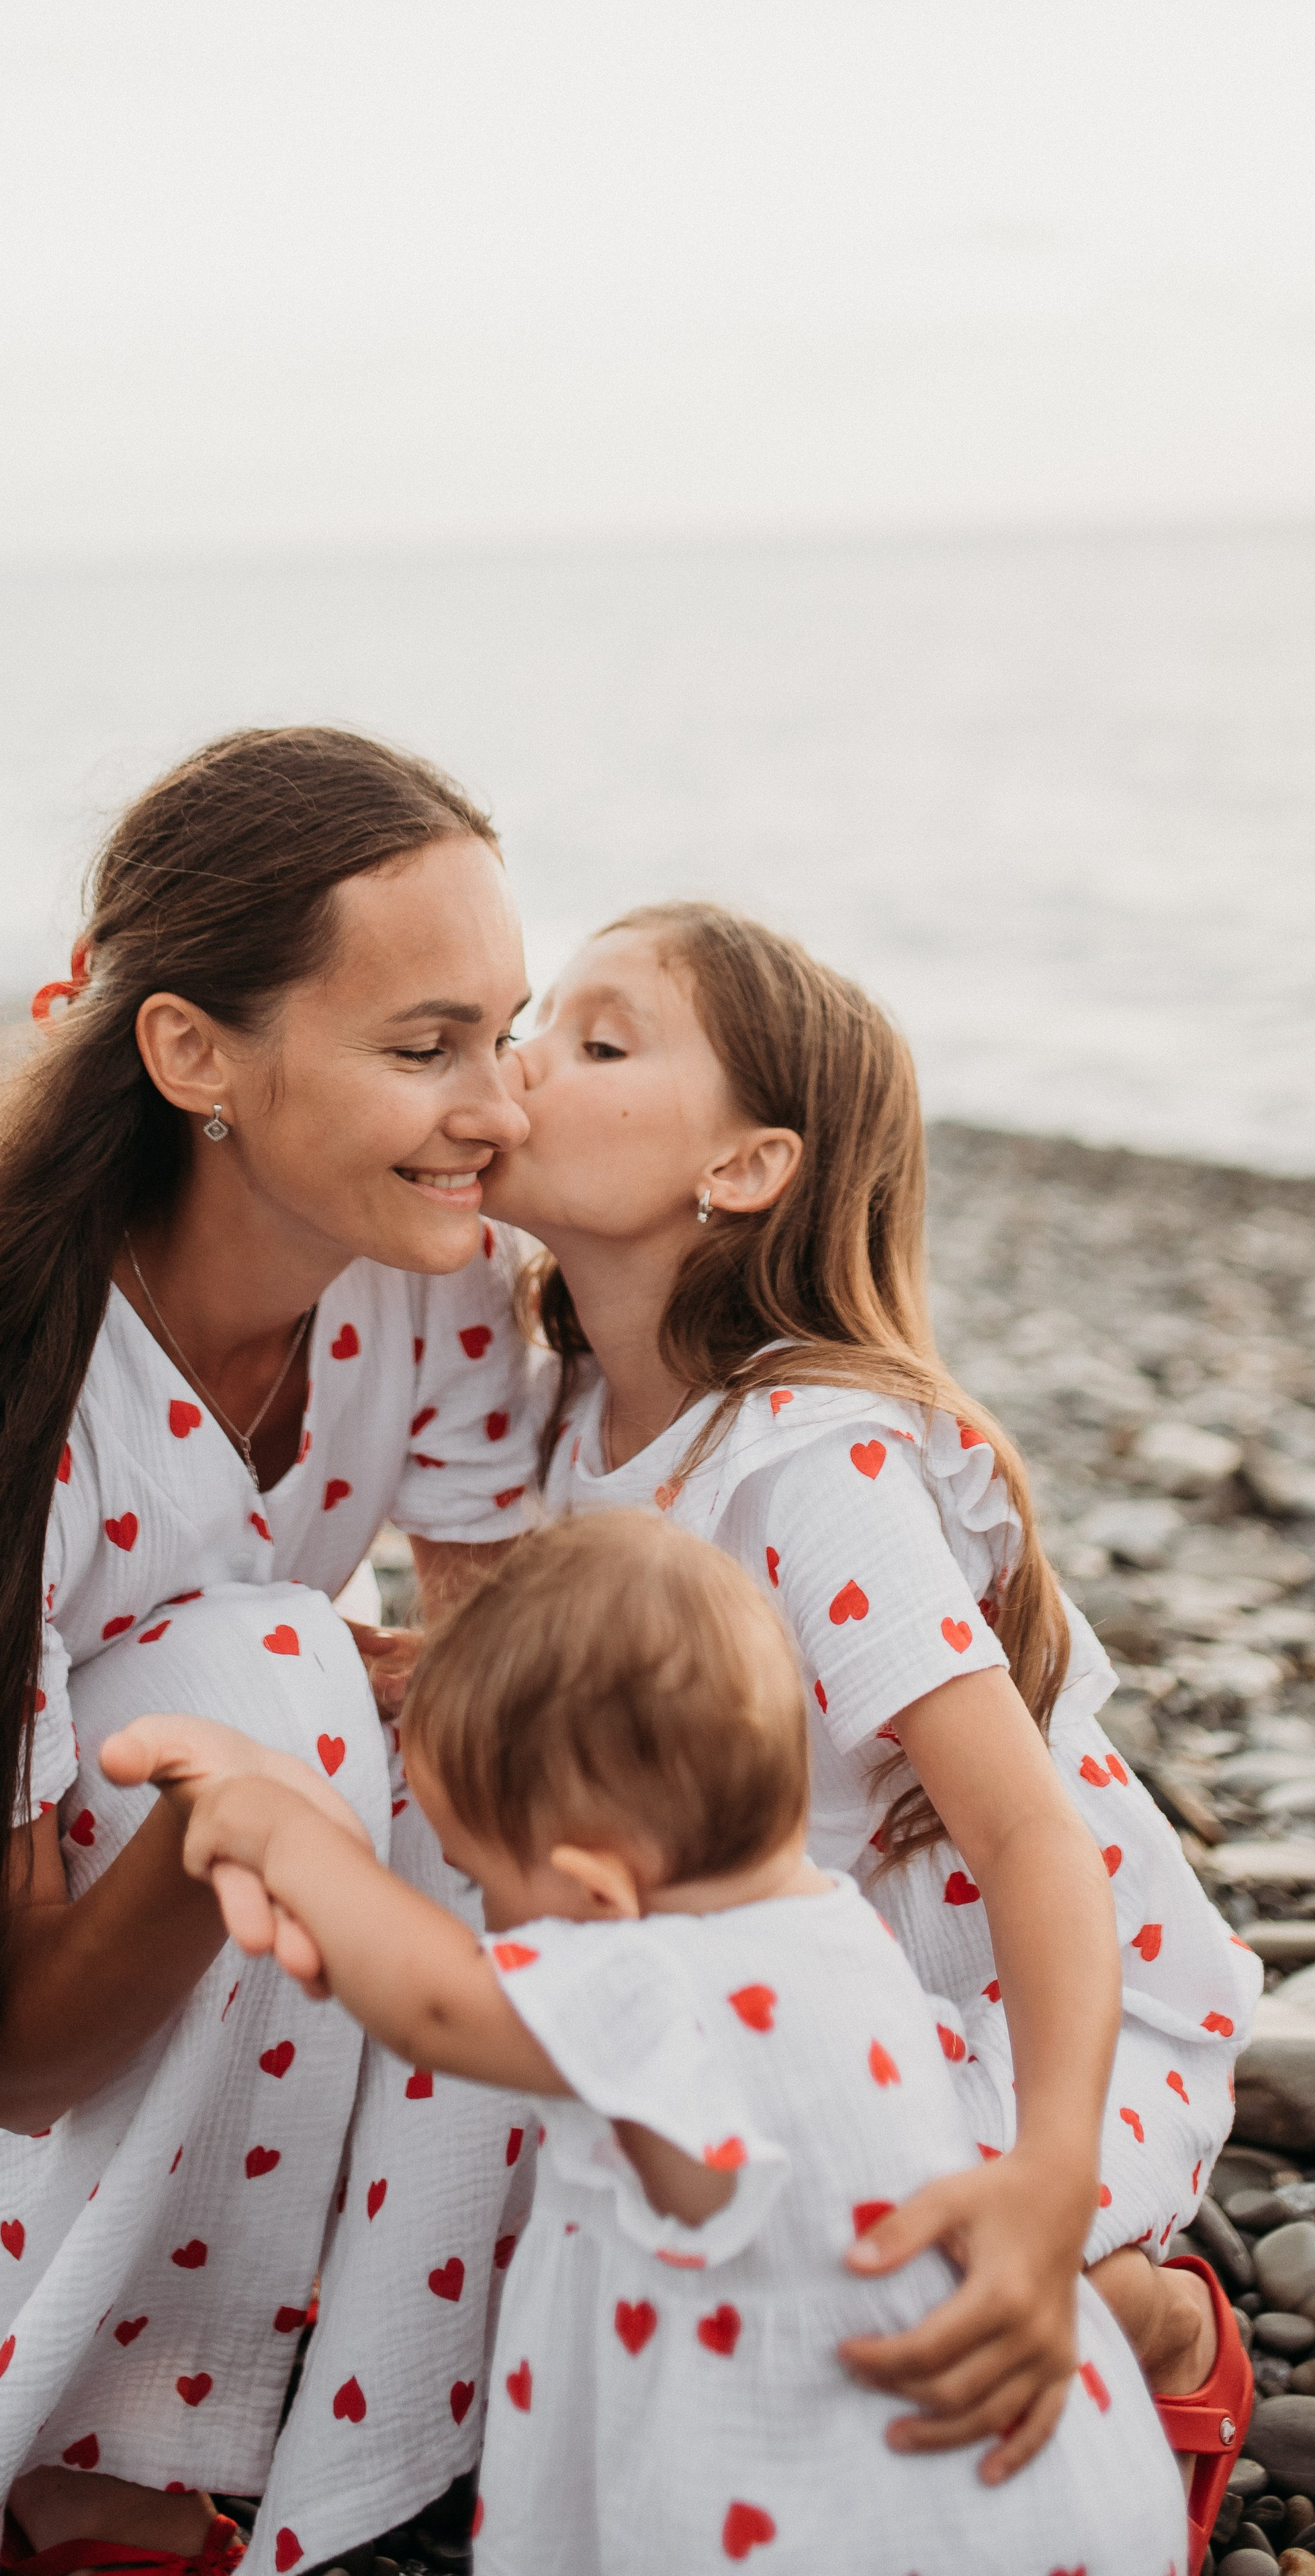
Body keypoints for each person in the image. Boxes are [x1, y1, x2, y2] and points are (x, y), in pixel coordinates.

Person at [0, 727, 545, 2576]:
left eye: (512, 1033)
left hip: (198, 1726)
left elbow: (507, 1691)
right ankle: (83, 2464)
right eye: (427, 1047)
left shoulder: (437, 1278)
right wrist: (241, 1823)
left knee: (502, 1746)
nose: (503, 1109)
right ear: (190, 1053)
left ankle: (402, 2401)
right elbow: (3, 2053)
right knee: (284, 1680)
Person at [471, 901, 1257, 2567]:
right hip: (792, 1987)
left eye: (596, 1043)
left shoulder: (803, 1463)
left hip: (1023, 2015)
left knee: (879, 2255)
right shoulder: (561, 1413)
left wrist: (1046, 2177)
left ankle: (1156, 2323)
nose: (521, 1060)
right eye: (533, 1019)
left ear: (743, 1166)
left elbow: (1030, 1835)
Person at [150, 1512, 1188, 2576]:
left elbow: (434, 2005)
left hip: (858, 2511)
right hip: (1023, 2481)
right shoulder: (823, 1931)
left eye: (477, 1878)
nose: (481, 1918)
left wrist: (285, 1832)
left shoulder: (660, 1979)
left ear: (597, 1892)